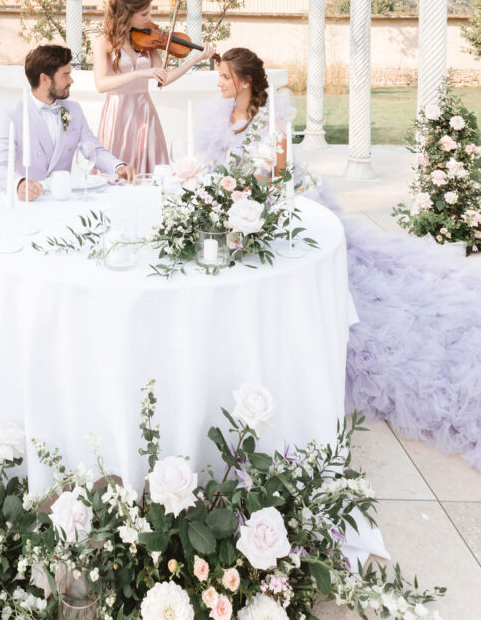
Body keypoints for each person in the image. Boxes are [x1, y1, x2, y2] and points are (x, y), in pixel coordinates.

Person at [197, 44, 481, 473]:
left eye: (224, 78)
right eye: (218, 77)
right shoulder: (217, 118)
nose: (218, 84)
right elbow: (209, 165)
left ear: (245, 82)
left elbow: (271, 174)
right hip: (231, 207)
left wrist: (240, 195)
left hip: (263, 204)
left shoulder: (269, 122)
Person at [92, 0, 216, 172]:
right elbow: (101, 84)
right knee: (116, 173)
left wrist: (196, 58)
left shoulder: (147, 42)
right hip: (117, 114)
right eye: (144, 14)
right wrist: (139, 73)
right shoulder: (103, 43)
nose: (149, 19)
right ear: (126, 13)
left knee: (149, 173)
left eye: (150, 13)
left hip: (144, 111)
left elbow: (163, 78)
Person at [0, 44, 135, 200]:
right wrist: (19, 184)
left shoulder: (73, 110)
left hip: (65, 199)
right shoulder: (10, 115)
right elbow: (0, 167)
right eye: (65, 74)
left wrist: (118, 166)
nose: (71, 80)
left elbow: (94, 150)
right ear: (44, 78)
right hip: (30, 203)